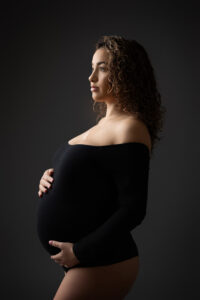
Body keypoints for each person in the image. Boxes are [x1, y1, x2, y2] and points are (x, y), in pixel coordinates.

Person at [37, 35, 166, 300]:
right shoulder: (101, 127)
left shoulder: (130, 127)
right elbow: (92, 184)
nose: (91, 77)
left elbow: (133, 209)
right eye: (92, 67)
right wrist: (51, 179)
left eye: (103, 68)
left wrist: (80, 252)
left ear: (125, 73)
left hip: (103, 260)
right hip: (86, 261)